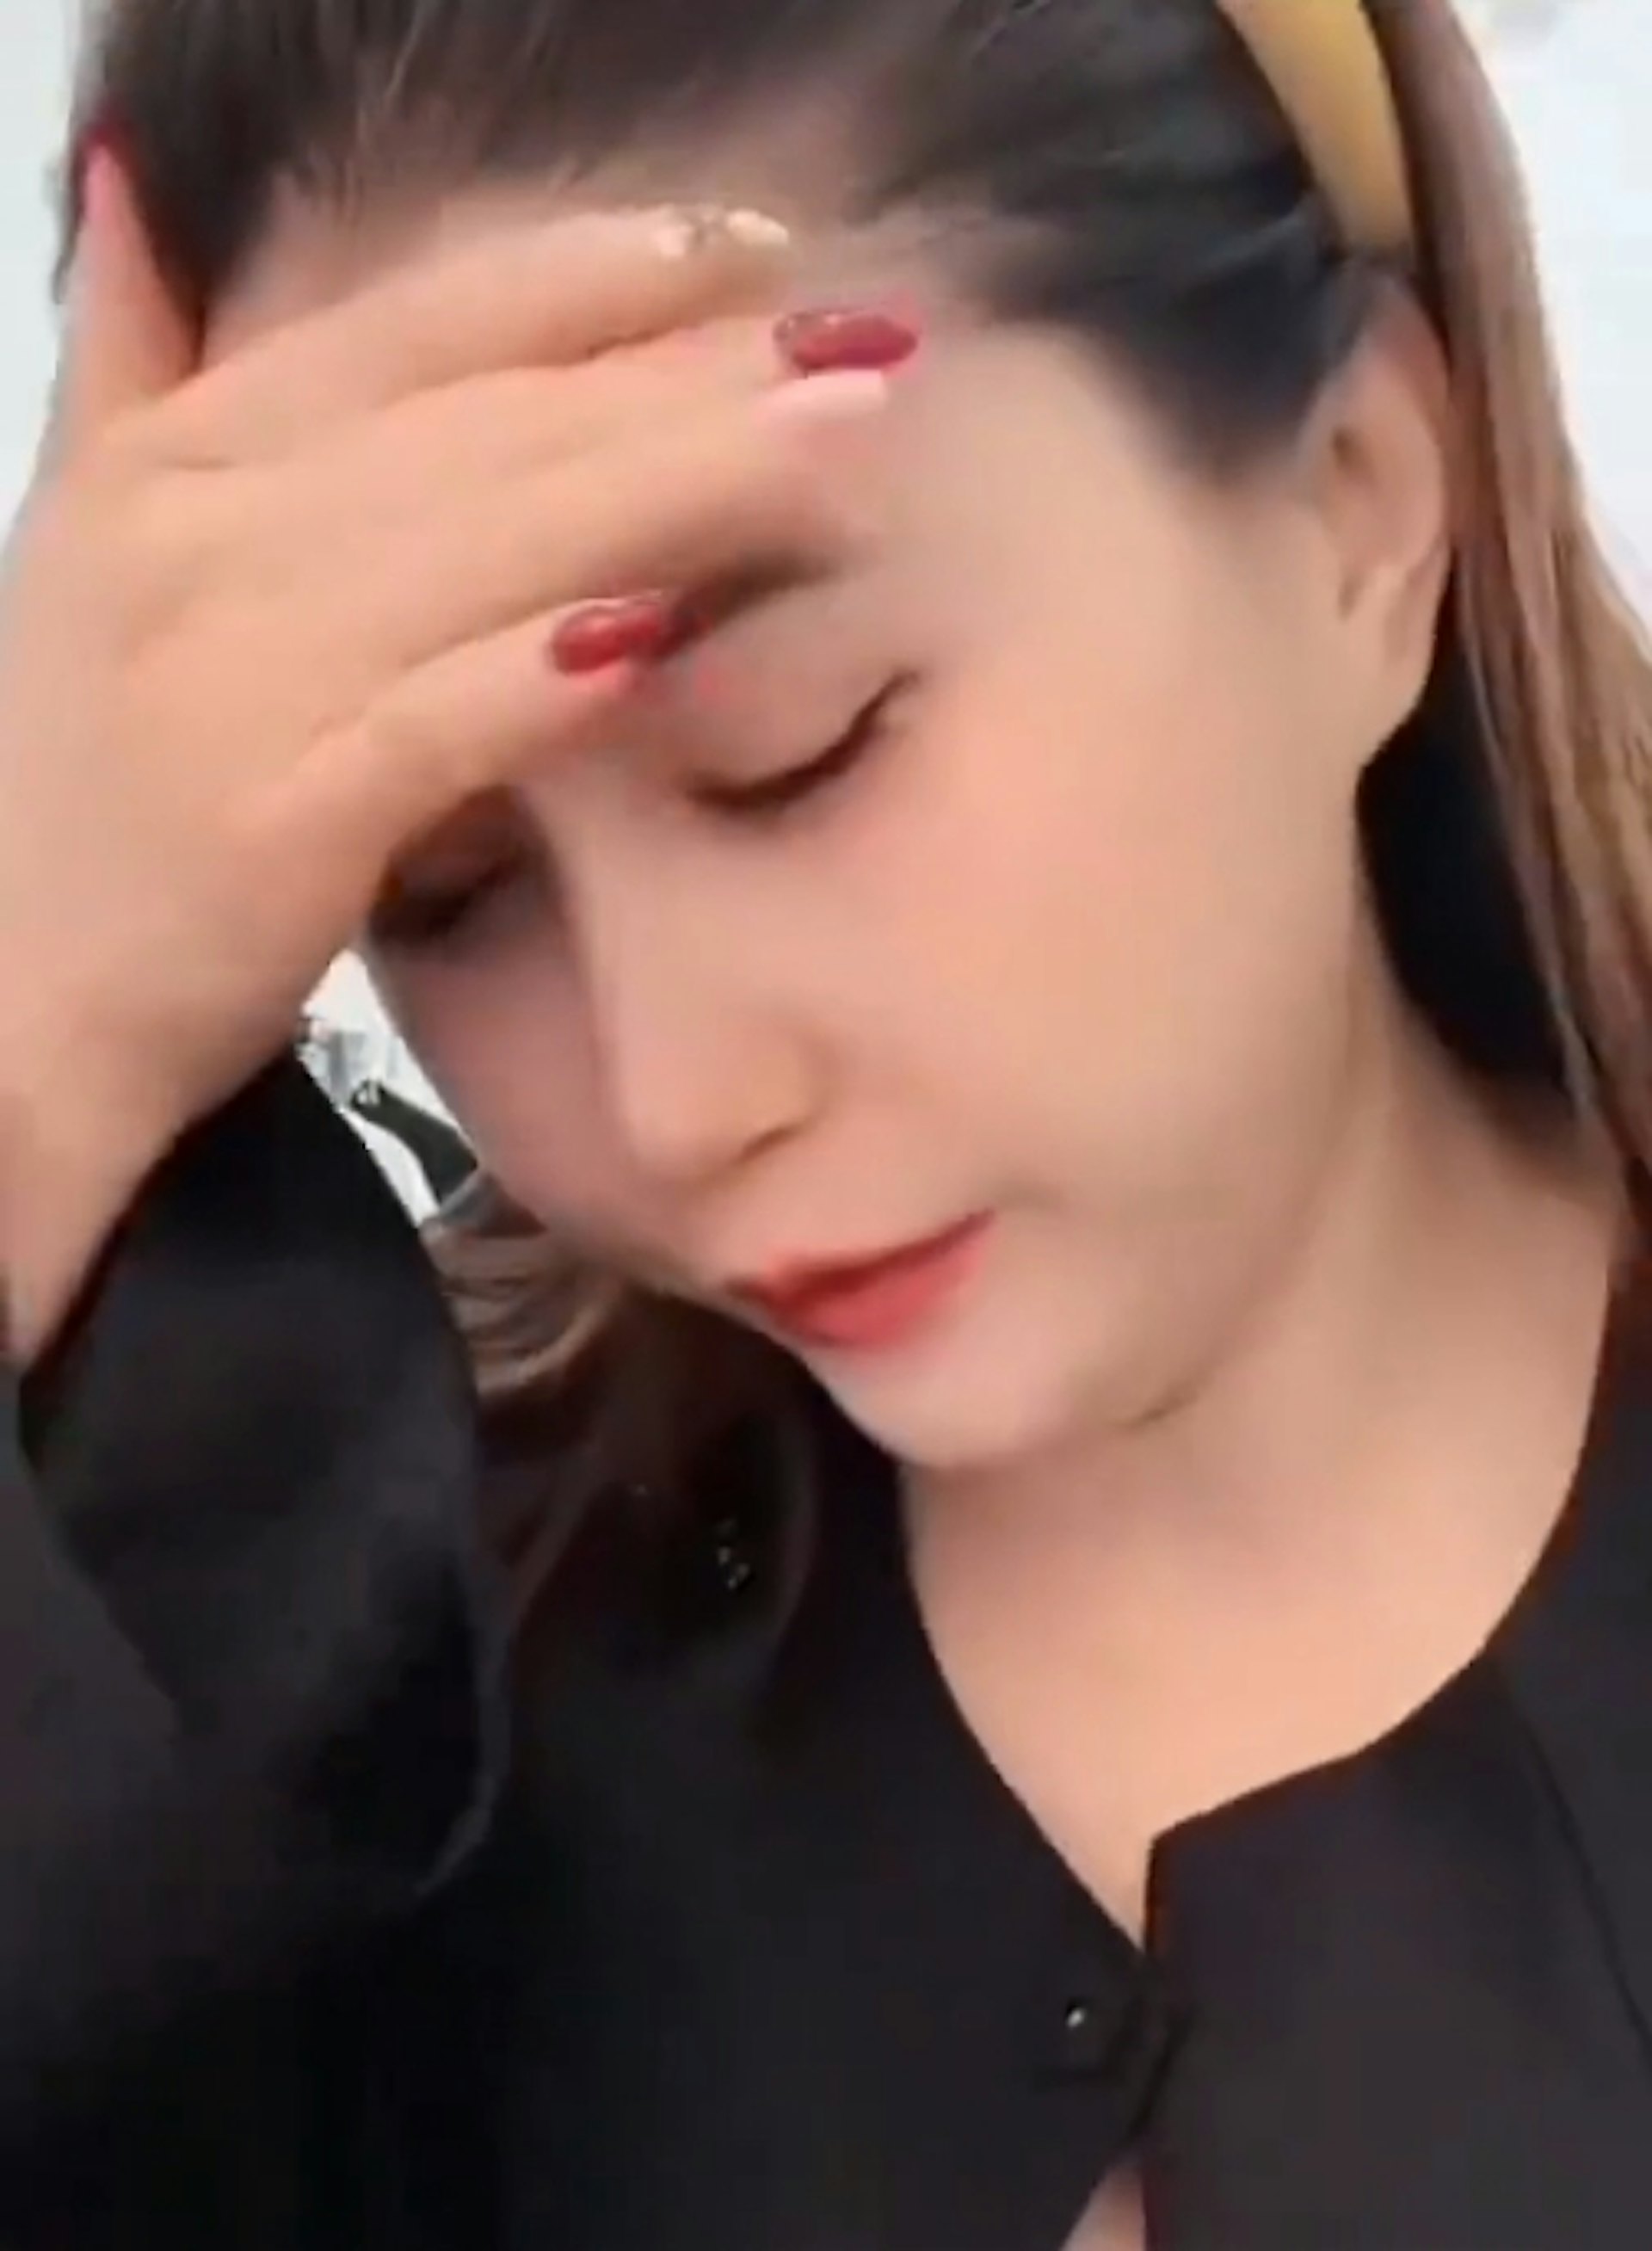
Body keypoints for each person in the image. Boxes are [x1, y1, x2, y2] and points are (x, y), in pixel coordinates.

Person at [3, 0, 1651, 2242]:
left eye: (802, 745)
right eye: (444, 893)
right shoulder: (343, 1731)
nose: (673, 1103)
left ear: (1355, 503)